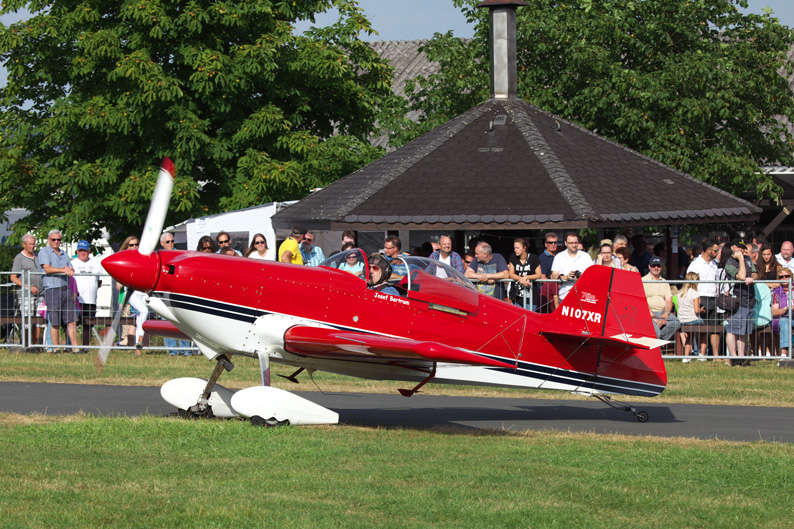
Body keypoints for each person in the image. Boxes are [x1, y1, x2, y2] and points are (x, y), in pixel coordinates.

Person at [38, 229, 79, 350]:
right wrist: (63, 270)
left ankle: (75, 348)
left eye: (58, 240)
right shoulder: (44, 252)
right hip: (52, 289)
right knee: (55, 322)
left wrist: (70, 271)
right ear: (48, 240)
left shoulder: (64, 253)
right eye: (53, 239)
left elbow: (71, 269)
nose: (56, 242)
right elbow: (47, 269)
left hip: (66, 289)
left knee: (71, 320)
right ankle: (55, 348)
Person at [723, 240, 757, 365]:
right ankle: (733, 357)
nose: (741, 250)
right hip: (736, 300)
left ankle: (741, 357)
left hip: (749, 299)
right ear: (733, 247)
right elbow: (741, 275)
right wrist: (741, 259)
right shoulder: (730, 263)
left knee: (743, 331)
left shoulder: (749, 259)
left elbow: (755, 273)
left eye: (743, 248)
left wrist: (752, 277)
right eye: (739, 247)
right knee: (733, 330)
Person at [687, 240, 721, 358]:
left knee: (715, 328)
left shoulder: (714, 264)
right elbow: (690, 283)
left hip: (713, 298)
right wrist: (695, 300)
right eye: (715, 250)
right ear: (708, 250)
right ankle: (701, 354)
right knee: (702, 329)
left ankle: (715, 355)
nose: (717, 253)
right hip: (701, 298)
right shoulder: (695, 264)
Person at [159, 235, 192, 356]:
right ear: (162, 243)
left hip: (178, 294)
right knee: (167, 321)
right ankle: (173, 351)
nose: (171, 244)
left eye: (172, 241)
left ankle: (186, 351)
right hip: (164, 294)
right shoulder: (160, 257)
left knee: (182, 322)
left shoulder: (180, 255)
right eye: (168, 242)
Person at [10, 233, 43, 345]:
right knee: (27, 320)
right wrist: (28, 287)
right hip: (25, 295)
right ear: (24, 244)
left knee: (39, 320)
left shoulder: (38, 256)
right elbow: (13, 277)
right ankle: (27, 344)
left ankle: (37, 344)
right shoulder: (19, 258)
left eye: (34, 244)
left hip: (40, 294)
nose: (33, 246)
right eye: (30, 244)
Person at [71, 240, 104, 346]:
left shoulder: (96, 263)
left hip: (91, 300)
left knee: (88, 325)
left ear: (89, 251)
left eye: (85, 250)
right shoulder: (72, 263)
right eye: (80, 250)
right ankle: (72, 346)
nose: (83, 253)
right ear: (77, 251)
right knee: (73, 323)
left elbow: (99, 281)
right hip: (77, 300)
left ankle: (85, 347)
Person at [642, 256, 681, 342]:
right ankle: (658, 342)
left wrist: (666, 314)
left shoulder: (664, 282)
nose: (656, 268)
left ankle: (659, 342)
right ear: (649, 267)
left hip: (662, 312)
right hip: (648, 313)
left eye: (658, 266)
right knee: (656, 333)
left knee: (676, 322)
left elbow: (668, 299)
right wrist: (651, 315)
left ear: (661, 267)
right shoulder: (643, 281)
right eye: (653, 266)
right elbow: (642, 300)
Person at [550, 232, 593, 302]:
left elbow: (592, 275)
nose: (574, 245)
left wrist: (580, 277)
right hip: (564, 295)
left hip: (582, 296)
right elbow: (553, 277)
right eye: (571, 243)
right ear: (565, 243)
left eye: (576, 242)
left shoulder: (586, 256)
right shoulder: (559, 256)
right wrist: (566, 277)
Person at [677, 272, 706, 360]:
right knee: (705, 332)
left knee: (690, 336)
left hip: (682, 320)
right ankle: (702, 355)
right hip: (692, 319)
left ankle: (686, 357)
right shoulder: (695, 293)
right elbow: (696, 311)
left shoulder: (680, 293)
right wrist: (702, 310)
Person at [507, 238, 542, 309]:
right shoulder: (513, 257)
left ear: (524, 248)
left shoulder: (534, 258)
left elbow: (538, 275)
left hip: (531, 296)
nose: (515, 250)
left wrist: (527, 277)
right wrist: (521, 279)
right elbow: (511, 274)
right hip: (516, 296)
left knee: (529, 318)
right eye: (514, 248)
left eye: (517, 248)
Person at [772, 267, 794, 357]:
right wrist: (786, 309)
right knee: (785, 322)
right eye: (781, 277)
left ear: (791, 277)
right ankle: (784, 354)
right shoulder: (776, 292)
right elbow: (774, 311)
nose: (784, 278)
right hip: (784, 317)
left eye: (787, 276)